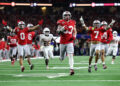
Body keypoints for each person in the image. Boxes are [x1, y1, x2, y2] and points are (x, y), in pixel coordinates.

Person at [57, 11, 77, 75]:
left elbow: (75, 30)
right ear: (63, 16)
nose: (67, 16)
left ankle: (71, 69)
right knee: (62, 58)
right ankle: (62, 56)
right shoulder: (61, 22)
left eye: (68, 15)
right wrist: (62, 29)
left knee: (70, 55)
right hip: (62, 42)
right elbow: (58, 31)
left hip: (69, 41)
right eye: (66, 15)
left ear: (70, 16)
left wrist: (74, 36)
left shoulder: (73, 22)